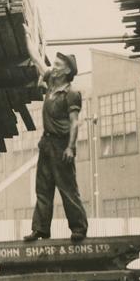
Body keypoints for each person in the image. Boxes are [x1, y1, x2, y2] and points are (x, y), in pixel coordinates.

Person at [23, 47, 89, 242]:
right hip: (47, 143)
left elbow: (74, 122)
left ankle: (79, 228)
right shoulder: (52, 81)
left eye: (59, 65)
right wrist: (26, 34)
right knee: (43, 188)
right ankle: (41, 229)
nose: (55, 66)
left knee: (67, 189)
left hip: (62, 145)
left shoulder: (72, 93)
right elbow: (37, 60)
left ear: (68, 71)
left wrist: (71, 147)